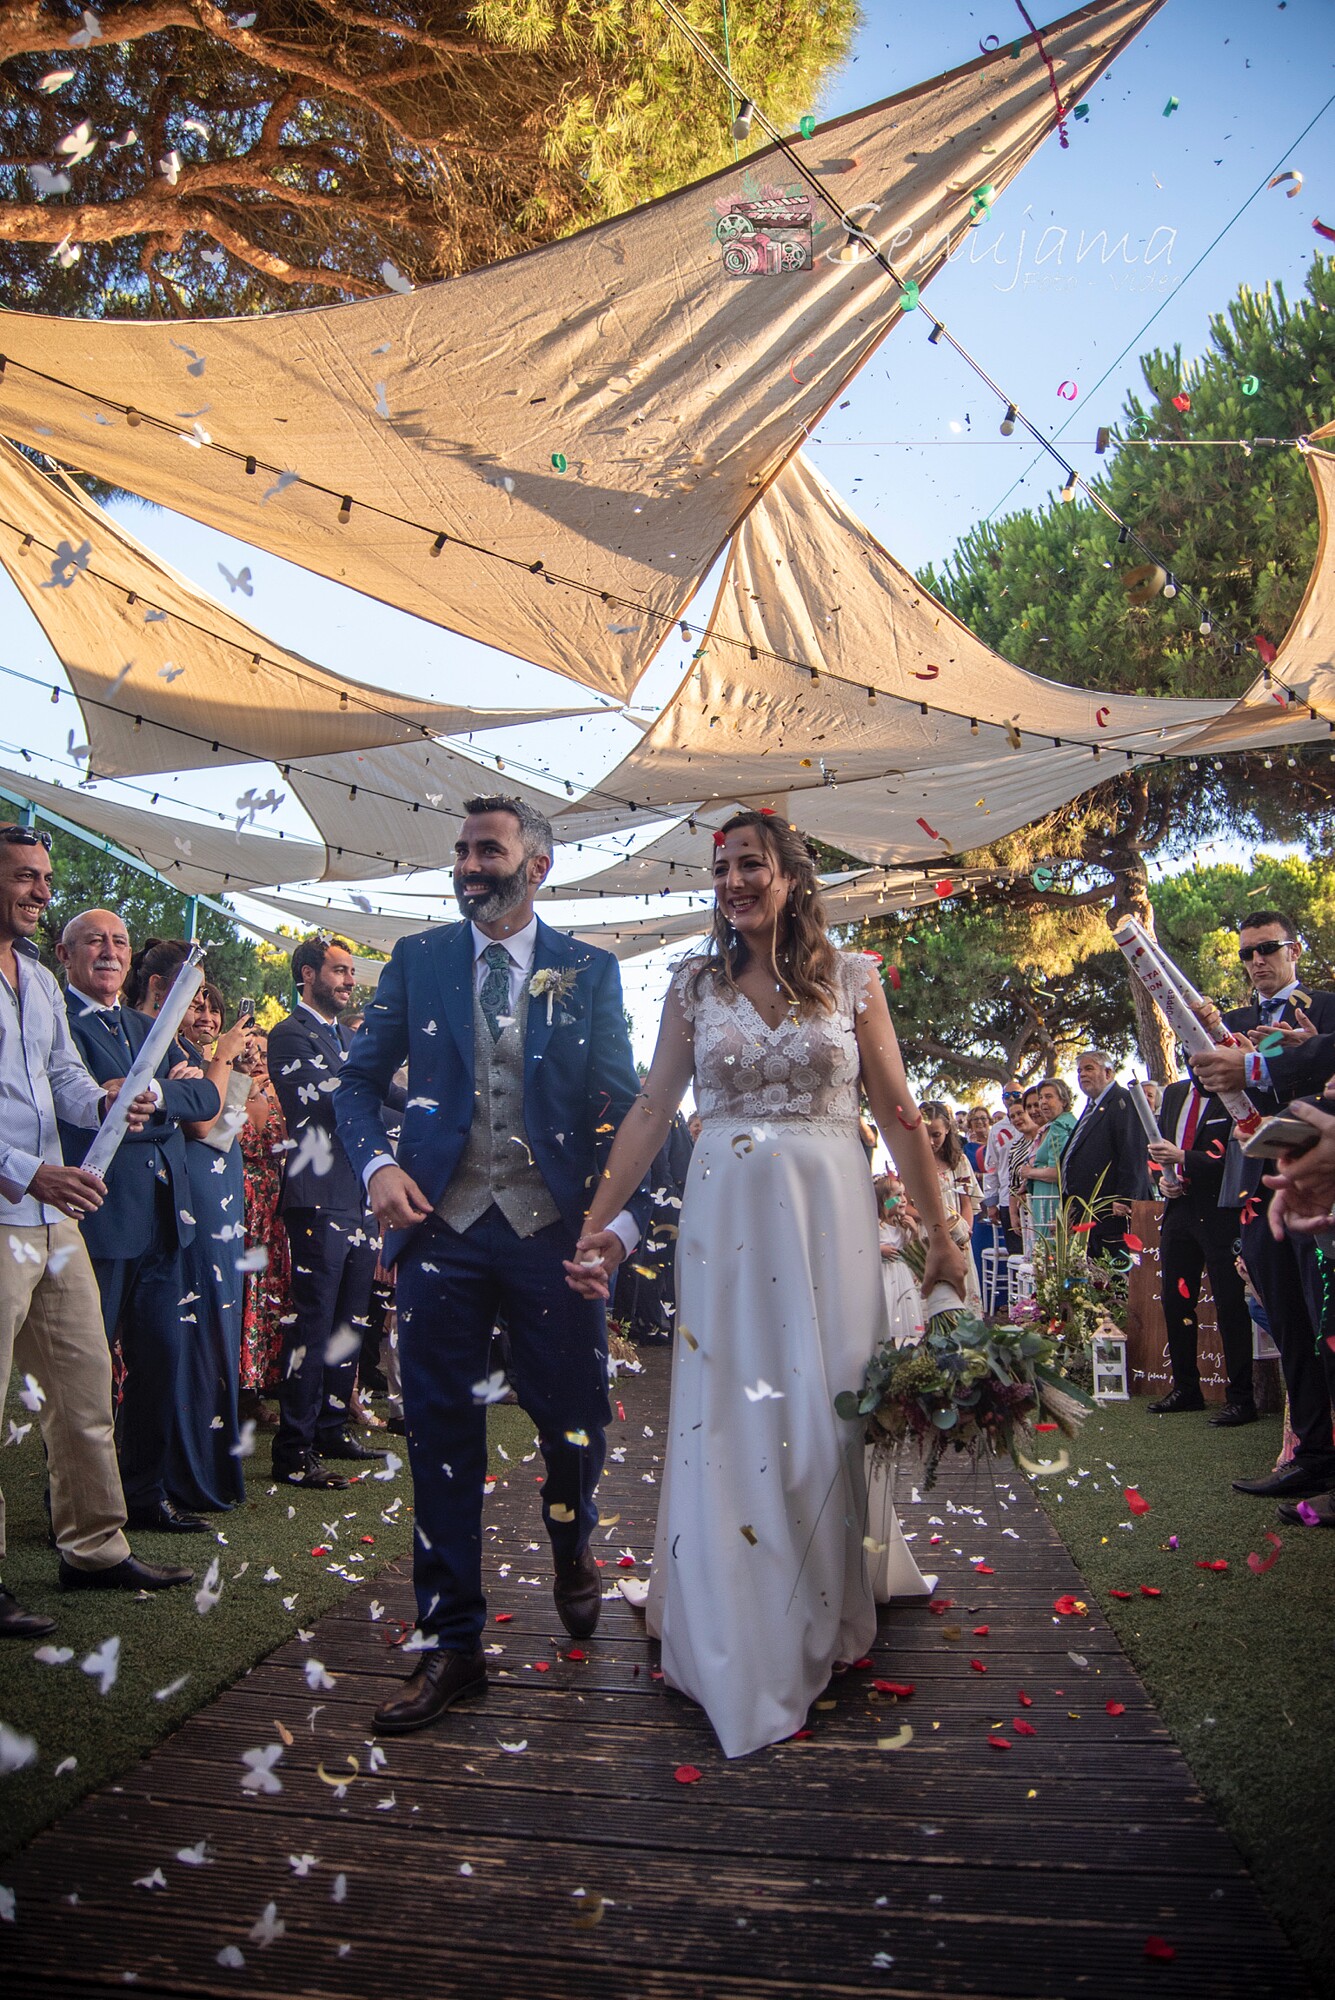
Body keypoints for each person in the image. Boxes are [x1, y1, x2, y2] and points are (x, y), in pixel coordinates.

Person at [567, 809, 966, 1759]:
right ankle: (737, 1606)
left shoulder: (853, 980)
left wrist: (941, 1235)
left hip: (831, 1216)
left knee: (828, 1408)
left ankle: (825, 1591)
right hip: (728, 1226)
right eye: (721, 868)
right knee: (738, 1413)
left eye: (751, 864)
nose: (733, 881)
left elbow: (901, 1114)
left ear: (791, 875)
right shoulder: (695, 985)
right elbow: (654, 1108)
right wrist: (596, 1223)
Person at [335, 795, 649, 1735]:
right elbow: (356, 1083)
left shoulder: (587, 973)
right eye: (462, 851)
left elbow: (626, 1108)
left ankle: (573, 1543)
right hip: (442, 1230)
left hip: (554, 1233)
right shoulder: (418, 960)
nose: (469, 865)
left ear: (536, 865)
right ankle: (452, 1645)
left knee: (574, 1422)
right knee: (437, 1431)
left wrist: (615, 1227)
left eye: (488, 850)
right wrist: (378, 1162)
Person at [0, 827, 192, 1631]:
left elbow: (63, 1082)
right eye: (23, 878)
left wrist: (108, 1100)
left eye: (44, 879)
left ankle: (96, 1550)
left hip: (56, 1217)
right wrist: (24, 1170)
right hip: (11, 1206)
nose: (41, 892)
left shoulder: (40, 980)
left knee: (83, 1391)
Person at [57, 916, 221, 1534]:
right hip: (98, 1222)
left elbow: (204, 1098)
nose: (109, 952)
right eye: (95, 941)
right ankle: (74, 1506)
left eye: (120, 942)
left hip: (163, 1224)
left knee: (159, 1361)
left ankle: (145, 1495)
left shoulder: (142, 1026)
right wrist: (155, 1102)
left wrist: (152, 1100)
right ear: (66, 954)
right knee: (84, 1375)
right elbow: (81, 1113)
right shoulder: (58, 1029)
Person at [1191, 911, 1335, 1502]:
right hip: (1256, 1189)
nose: (1256, 961)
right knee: (1288, 1327)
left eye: (1267, 948)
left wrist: (1258, 1061)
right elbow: (1212, 1088)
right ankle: (1312, 1455)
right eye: (1247, 953)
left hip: (1318, 1191)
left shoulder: (1324, 1010)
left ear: (1294, 949)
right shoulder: (1236, 1023)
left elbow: (1316, 1068)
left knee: (1327, 1327)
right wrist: (1207, 1048)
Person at [267, 935, 399, 1489]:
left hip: (359, 1195)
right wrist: (376, 1102)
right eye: (339, 971)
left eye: (351, 973)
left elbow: (383, 1092)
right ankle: (293, 1446)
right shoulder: (288, 1034)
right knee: (314, 1322)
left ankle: (331, 1425)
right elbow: (321, 1102)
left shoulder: (348, 1037)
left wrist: (429, 1109)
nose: (348, 981)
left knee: (351, 1320)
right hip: (317, 1195)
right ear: (307, 974)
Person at [130, 960, 251, 1514]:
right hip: (190, 1198)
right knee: (189, 1326)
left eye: (212, 1007)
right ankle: (179, 1471)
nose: (205, 1016)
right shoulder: (172, 1054)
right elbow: (204, 1123)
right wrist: (220, 1062)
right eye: (196, 1004)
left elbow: (238, 1114)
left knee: (214, 1326)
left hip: (223, 1192)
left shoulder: (196, 1063)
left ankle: (206, 1464)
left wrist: (220, 1072)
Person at [1145, 1079, 1255, 1425]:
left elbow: (1237, 1157)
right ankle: (1186, 1388)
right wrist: (1164, 1178)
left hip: (1220, 1212)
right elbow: (1159, 1152)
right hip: (1179, 1211)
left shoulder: (1234, 1094)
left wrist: (1184, 1159)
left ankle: (1241, 1398)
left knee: (1229, 1302)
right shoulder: (1176, 1093)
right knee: (1176, 1300)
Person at [236, 1027, 290, 1413]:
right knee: (241, 1292)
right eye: (252, 1051)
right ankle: (233, 1385)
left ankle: (260, 1385)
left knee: (269, 1289)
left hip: (273, 1201)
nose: (259, 1059)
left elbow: (287, 1140)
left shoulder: (279, 1094)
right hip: (239, 1198)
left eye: (265, 1053)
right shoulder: (227, 1084)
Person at [1058, 1050, 1151, 1256]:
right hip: (1090, 1212)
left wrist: (1125, 1198)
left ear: (1108, 1073)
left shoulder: (1123, 1101)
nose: (1082, 1075)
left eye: (1089, 1068)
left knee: (1116, 1277)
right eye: (1079, 1070)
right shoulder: (1092, 1107)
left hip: (1112, 1212)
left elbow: (1133, 1152)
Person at [922, 1100, 983, 1309]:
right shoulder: (913, 1164)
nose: (930, 1141)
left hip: (957, 1235)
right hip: (926, 1234)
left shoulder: (959, 1162)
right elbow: (897, 1200)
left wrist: (963, 1230)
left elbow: (966, 1201)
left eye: (936, 1135)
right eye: (925, 1135)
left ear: (947, 1129)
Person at [1021, 1077, 1076, 1240]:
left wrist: (1029, 1173)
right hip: (1044, 1197)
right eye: (1041, 1097)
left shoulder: (1059, 1127)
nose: (1042, 1102)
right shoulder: (1058, 1124)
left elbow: (1057, 1172)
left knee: (1049, 1253)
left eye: (1049, 1097)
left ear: (1064, 1101)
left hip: (1050, 1202)